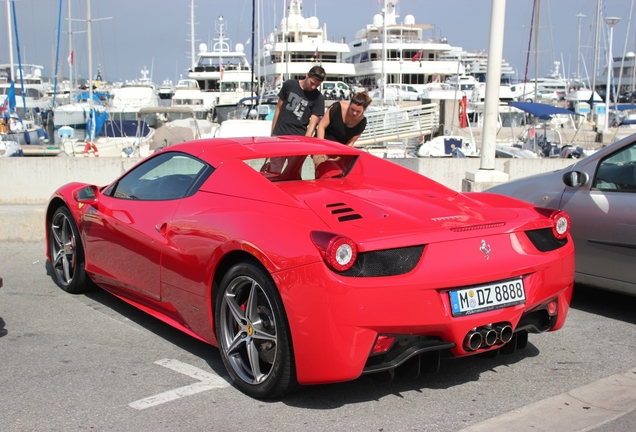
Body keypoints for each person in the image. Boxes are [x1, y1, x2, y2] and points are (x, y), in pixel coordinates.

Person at [271, 66, 326, 137]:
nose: (313, 87)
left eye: (317, 85)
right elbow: (278, 108)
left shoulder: (318, 98)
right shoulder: (289, 85)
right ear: (307, 75)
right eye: (312, 83)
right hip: (279, 134)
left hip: (299, 138)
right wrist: (272, 132)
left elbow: (312, 124)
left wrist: (305, 142)